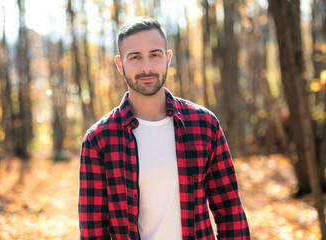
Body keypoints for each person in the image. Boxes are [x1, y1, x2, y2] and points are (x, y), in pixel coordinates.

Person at [78, 16, 250, 240]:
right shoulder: (98, 139)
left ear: (168, 58)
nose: (147, 67)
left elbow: (230, 211)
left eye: (155, 55)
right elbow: (93, 231)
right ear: (120, 65)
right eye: (136, 57)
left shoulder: (204, 125)